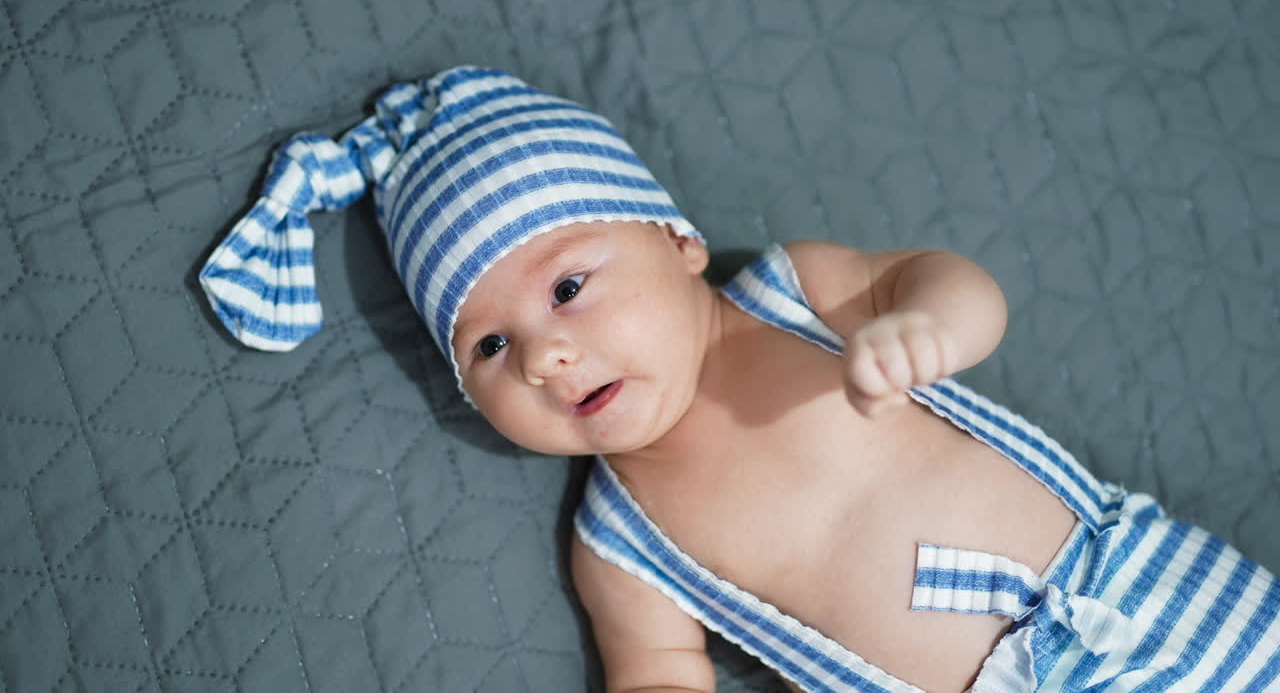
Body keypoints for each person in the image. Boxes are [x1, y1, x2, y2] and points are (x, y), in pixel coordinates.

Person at [199, 66, 1280, 693]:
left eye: (568, 285)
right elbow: (658, 677)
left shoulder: (791, 293)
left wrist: (928, 328)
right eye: (488, 347)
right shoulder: (617, 546)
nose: (544, 354)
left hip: (1145, 596)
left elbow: (952, 283)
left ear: (675, 241)